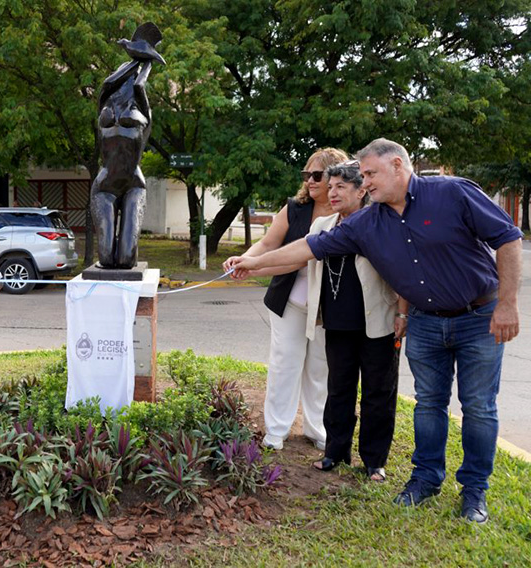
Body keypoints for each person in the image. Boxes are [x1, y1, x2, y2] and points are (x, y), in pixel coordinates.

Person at [230, 138, 523, 523]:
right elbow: (307, 248)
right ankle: (425, 480)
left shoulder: (452, 192)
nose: (364, 182)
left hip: (478, 317)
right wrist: (253, 263)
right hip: (426, 321)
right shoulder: (368, 222)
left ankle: (474, 492)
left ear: (397, 166)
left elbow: (508, 237)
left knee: (479, 407)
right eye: (363, 175)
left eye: (370, 173)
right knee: (429, 405)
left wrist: (507, 303)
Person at [223, 148, 348, 451]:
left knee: (320, 367)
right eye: (306, 175)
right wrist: (244, 258)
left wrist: (254, 265)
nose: (310, 181)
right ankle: (276, 430)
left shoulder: (348, 212)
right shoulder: (295, 208)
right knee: (285, 364)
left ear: (336, 177)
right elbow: (268, 243)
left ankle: (317, 428)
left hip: (328, 305)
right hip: (289, 299)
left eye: (316, 175)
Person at [305, 162, 406, 481]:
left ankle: (374, 460)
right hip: (337, 321)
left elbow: (402, 271)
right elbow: (301, 258)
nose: (332, 193)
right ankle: (335, 451)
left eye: (340, 187)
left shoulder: (381, 223)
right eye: (330, 187)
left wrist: (402, 312)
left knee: (379, 391)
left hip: (379, 321)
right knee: (338, 389)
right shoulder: (321, 226)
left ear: (361, 190)